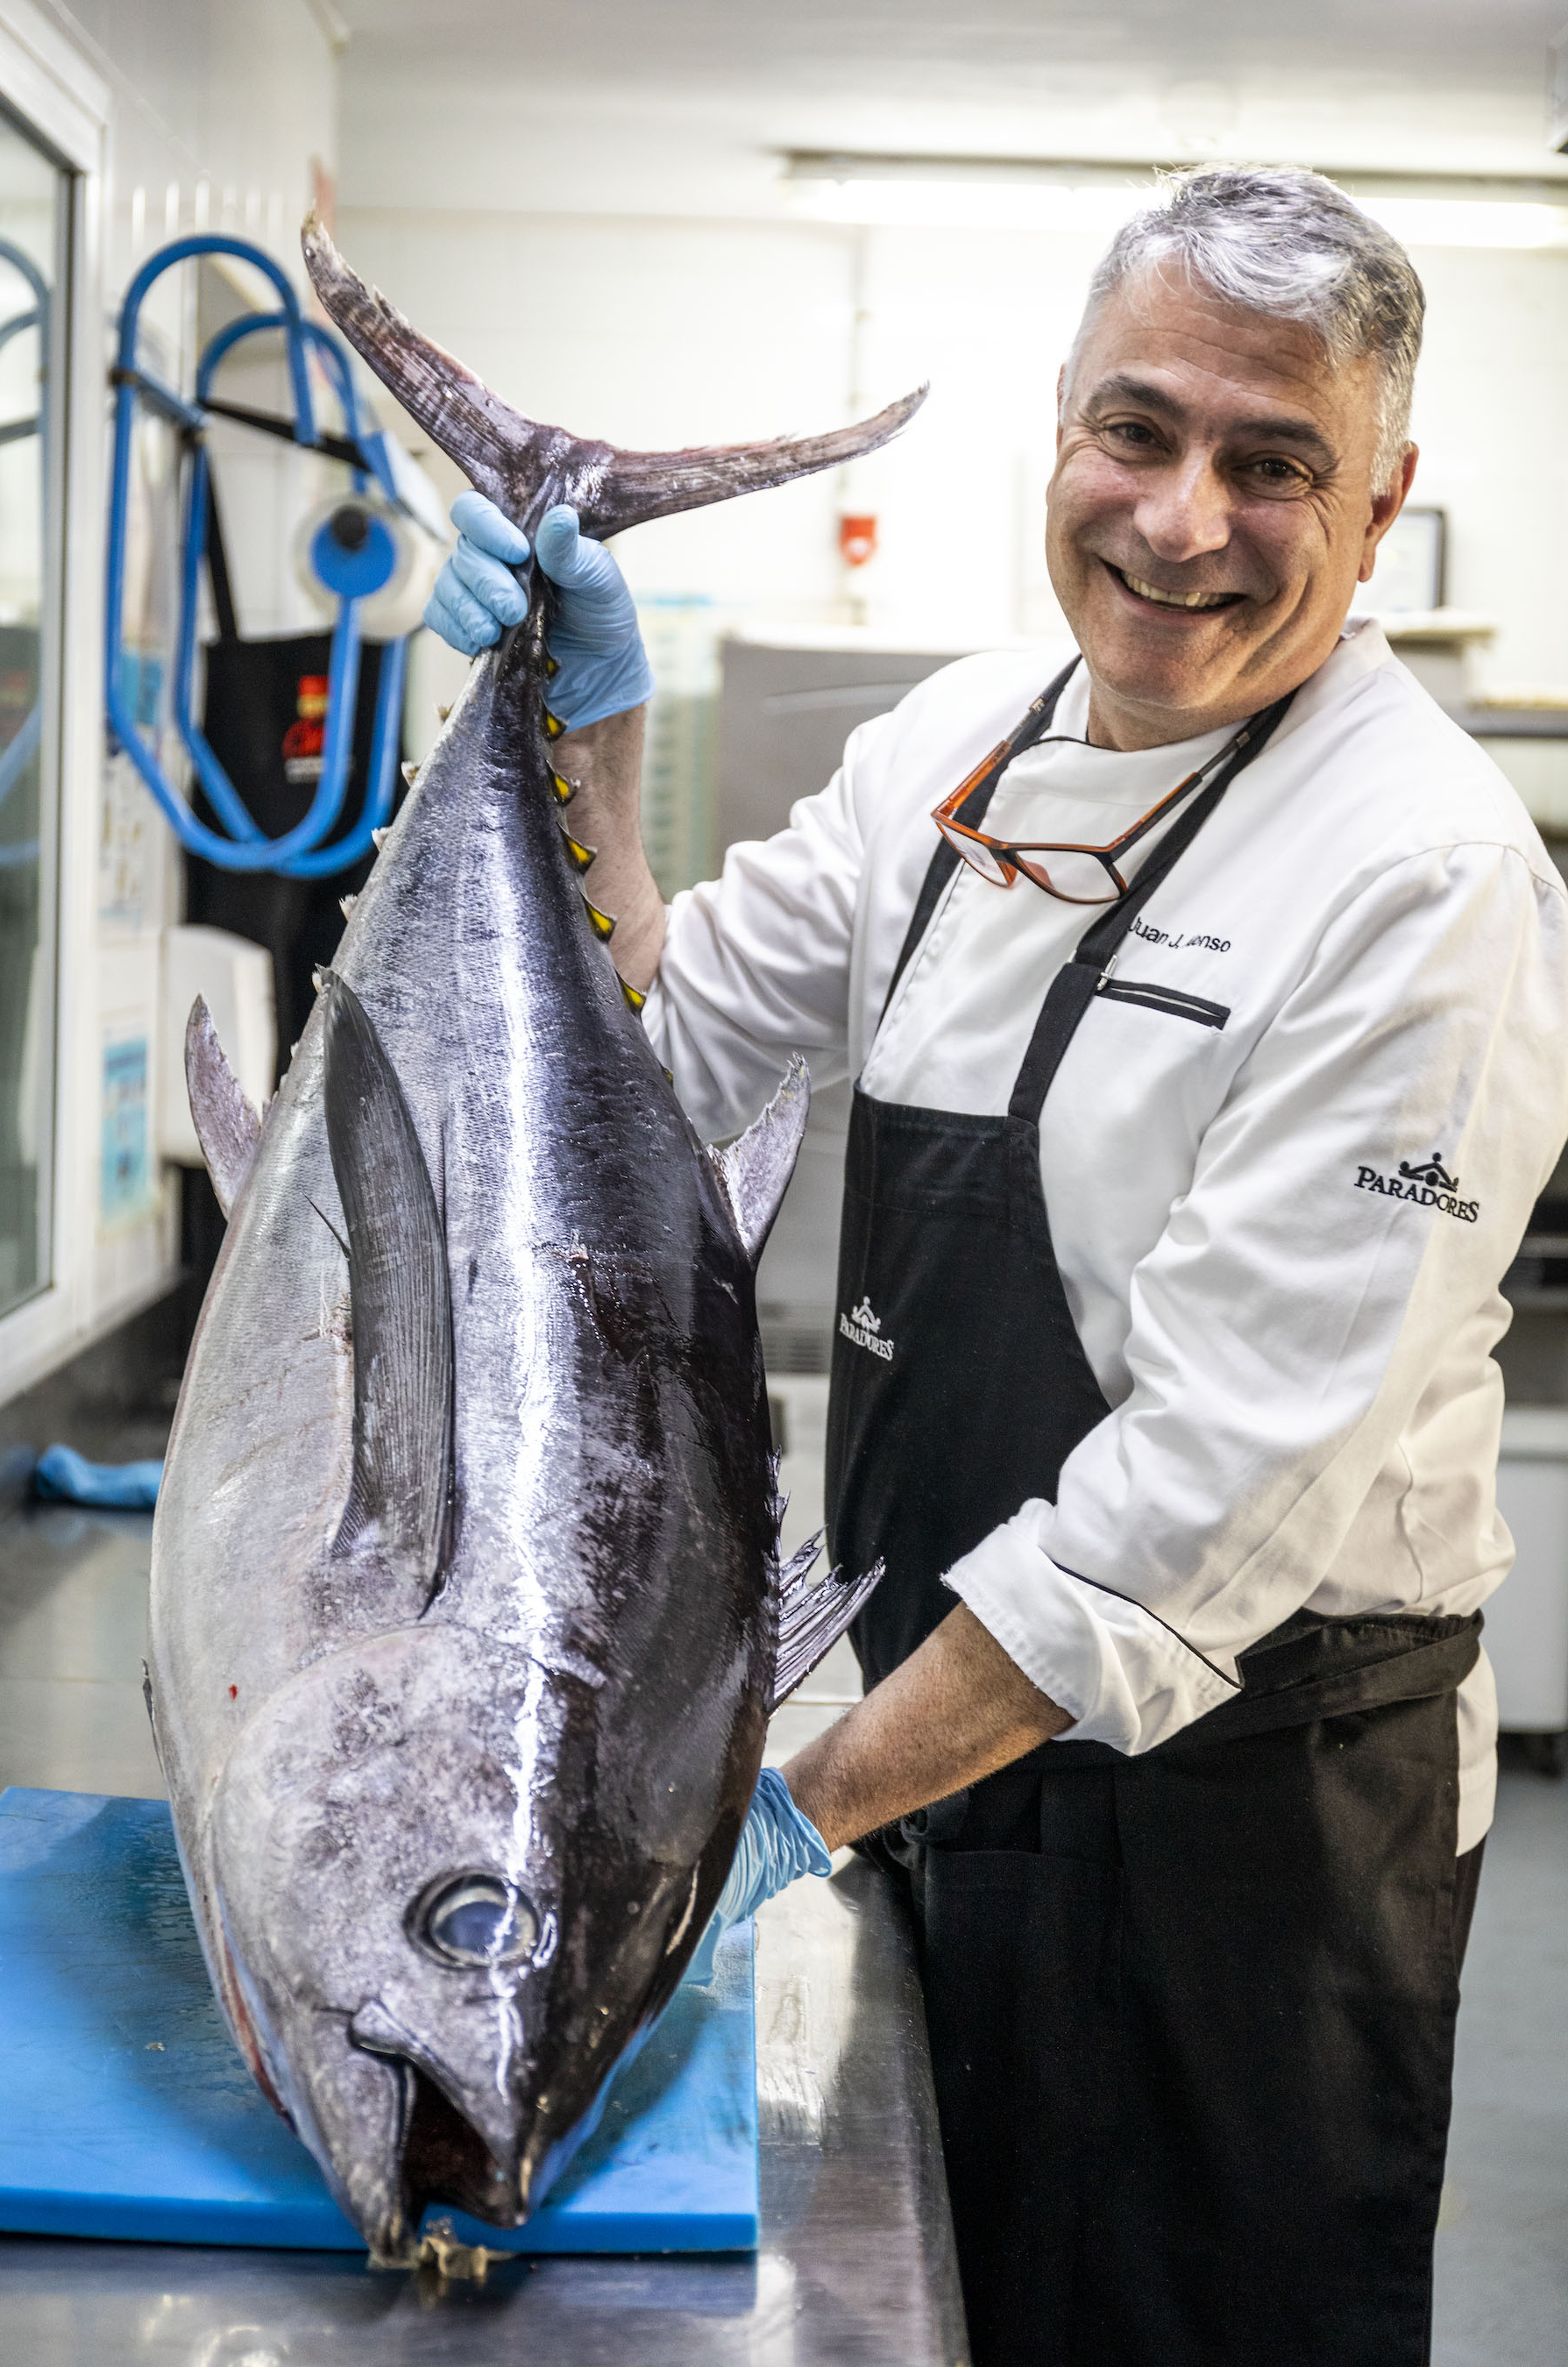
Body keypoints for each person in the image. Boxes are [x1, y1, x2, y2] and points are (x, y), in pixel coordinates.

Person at [422, 165, 1568, 2367]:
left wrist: (772, 1810)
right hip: (940, 1733)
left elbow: (1190, 1520)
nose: (1182, 519)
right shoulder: (941, 755)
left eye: (1274, 463)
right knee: (914, 2300)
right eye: (1137, 431)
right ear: (1059, 423)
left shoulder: (1422, 879)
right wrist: (584, 725)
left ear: (1384, 492)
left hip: (1243, 1823)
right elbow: (637, 1069)